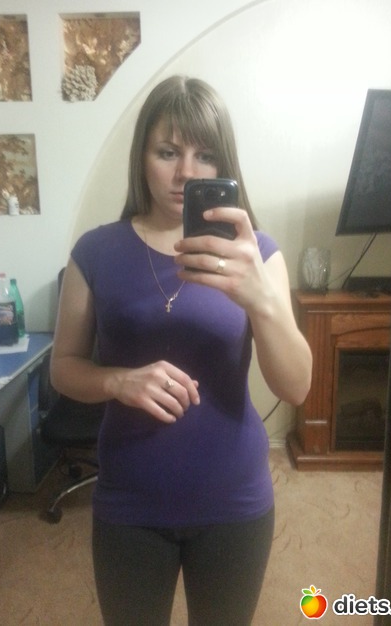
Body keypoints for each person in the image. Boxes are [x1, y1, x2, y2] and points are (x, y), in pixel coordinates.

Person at [50, 75, 312, 625]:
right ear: (141, 157)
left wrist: (261, 299)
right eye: (168, 152)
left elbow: (296, 387)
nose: (186, 173)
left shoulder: (258, 253)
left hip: (233, 499)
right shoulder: (95, 251)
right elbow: (63, 369)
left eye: (204, 155)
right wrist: (117, 380)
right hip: (129, 500)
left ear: (224, 165)